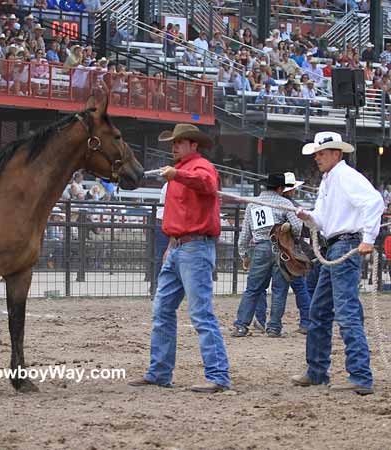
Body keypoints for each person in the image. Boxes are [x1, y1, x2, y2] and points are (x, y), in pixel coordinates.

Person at [128, 124, 230, 393]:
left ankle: (217, 376)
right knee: (165, 310)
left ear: (193, 145)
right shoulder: (186, 170)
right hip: (180, 247)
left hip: (193, 247)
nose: (174, 147)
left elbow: (207, 184)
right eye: (173, 143)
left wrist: (178, 175)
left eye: (180, 142)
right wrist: (171, 246)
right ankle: (160, 372)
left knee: (198, 313)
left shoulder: (200, 168)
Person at [292, 132, 385, 395]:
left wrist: (368, 238)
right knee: (321, 312)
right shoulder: (331, 180)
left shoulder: (345, 177)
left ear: (336, 154)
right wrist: (308, 217)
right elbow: (322, 219)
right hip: (335, 246)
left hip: (344, 246)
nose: (317, 158)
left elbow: (374, 202)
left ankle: (360, 376)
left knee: (344, 312)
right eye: (317, 154)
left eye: (322, 153)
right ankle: (318, 371)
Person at [231, 172, 303, 338]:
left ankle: (242, 325)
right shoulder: (285, 203)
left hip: (261, 247)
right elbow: (298, 228)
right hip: (281, 248)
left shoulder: (253, 204)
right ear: (280, 188)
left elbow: (244, 235)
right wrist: (291, 235)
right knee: (279, 289)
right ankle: (274, 328)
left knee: (253, 289)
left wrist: (244, 255)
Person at [254, 173, 312, 334]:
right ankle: (305, 321)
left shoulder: (265, 203)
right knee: (297, 287)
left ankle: (260, 319)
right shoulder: (289, 205)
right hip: (289, 250)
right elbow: (299, 229)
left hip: (270, 247)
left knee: (260, 286)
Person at [154, 181, 169, 284]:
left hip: (165, 220)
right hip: (165, 221)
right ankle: (157, 284)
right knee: (161, 256)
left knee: (161, 256)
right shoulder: (171, 184)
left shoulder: (169, 183)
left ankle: (157, 285)